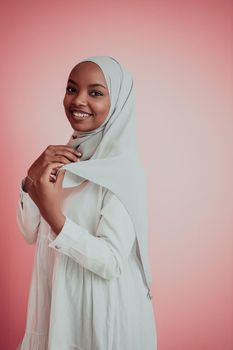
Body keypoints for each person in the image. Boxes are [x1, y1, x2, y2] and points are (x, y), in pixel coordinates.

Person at [16, 55, 158, 350]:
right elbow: (30, 232)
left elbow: (112, 262)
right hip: (57, 304)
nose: (78, 100)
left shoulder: (121, 171)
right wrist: (32, 177)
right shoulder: (67, 158)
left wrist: (57, 219)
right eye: (71, 89)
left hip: (100, 315)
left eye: (95, 93)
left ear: (117, 103)